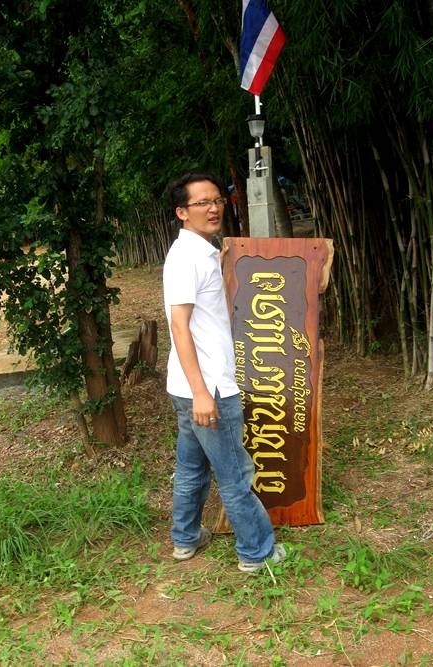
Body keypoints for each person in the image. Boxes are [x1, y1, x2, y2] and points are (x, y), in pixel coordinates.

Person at [163, 171, 286, 573]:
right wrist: (203, 394)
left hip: (189, 386)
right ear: (182, 212)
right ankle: (257, 553)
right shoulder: (186, 259)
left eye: (217, 200)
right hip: (208, 388)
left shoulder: (200, 253)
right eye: (202, 203)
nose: (213, 208)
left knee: (192, 468)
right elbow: (179, 325)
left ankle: (185, 539)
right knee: (235, 473)